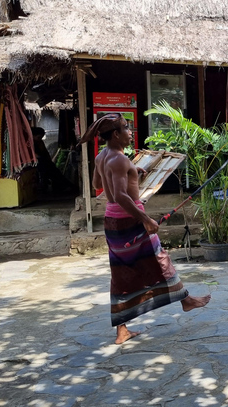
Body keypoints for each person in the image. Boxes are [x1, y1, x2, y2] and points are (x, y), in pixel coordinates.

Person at [80, 113, 210, 345]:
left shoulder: (102, 156)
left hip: (112, 221)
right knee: (161, 260)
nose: (130, 133)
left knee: (121, 273)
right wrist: (146, 219)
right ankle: (186, 301)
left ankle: (122, 329)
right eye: (126, 128)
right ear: (117, 134)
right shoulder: (119, 159)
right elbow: (120, 194)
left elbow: (98, 185)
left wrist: (132, 174)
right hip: (130, 222)